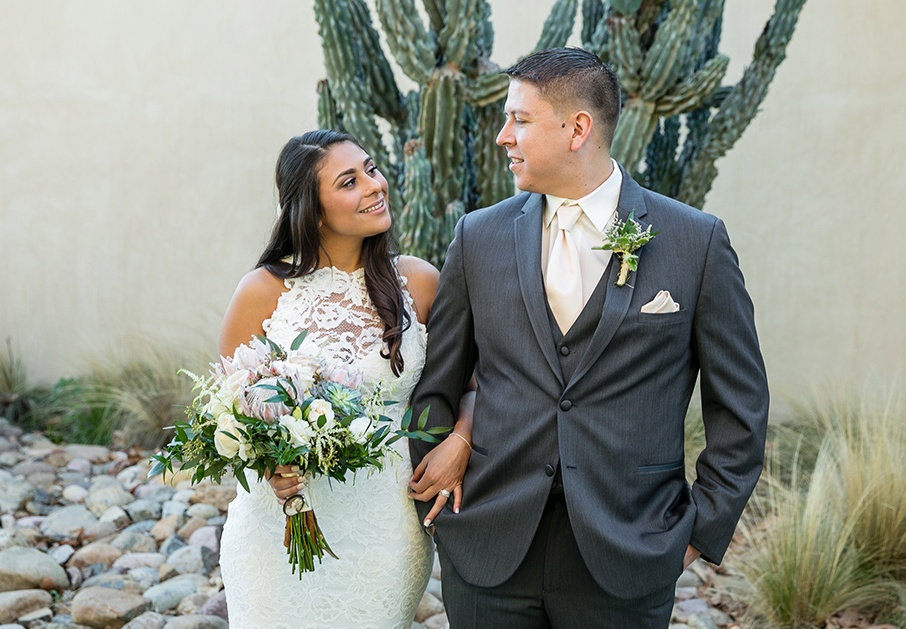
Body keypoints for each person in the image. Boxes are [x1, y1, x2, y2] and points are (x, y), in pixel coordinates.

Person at [408, 47, 769, 628]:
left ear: (577, 128)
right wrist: (437, 482)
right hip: (489, 547)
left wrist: (697, 531)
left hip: (628, 552)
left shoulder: (694, 242)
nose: (504, 137)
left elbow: (741, 406)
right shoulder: (478, 238)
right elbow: (436, 382)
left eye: (519, 120)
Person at [217, 129, 472, 629]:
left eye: (372, 170)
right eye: (349, 181)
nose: (374, 186)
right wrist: (270, 461)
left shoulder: (418, 282)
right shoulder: (262, 291)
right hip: (279, 528)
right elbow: (226, 407)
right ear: (312, 211)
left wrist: (460, 440)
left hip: (385, 528)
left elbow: (471, 380)